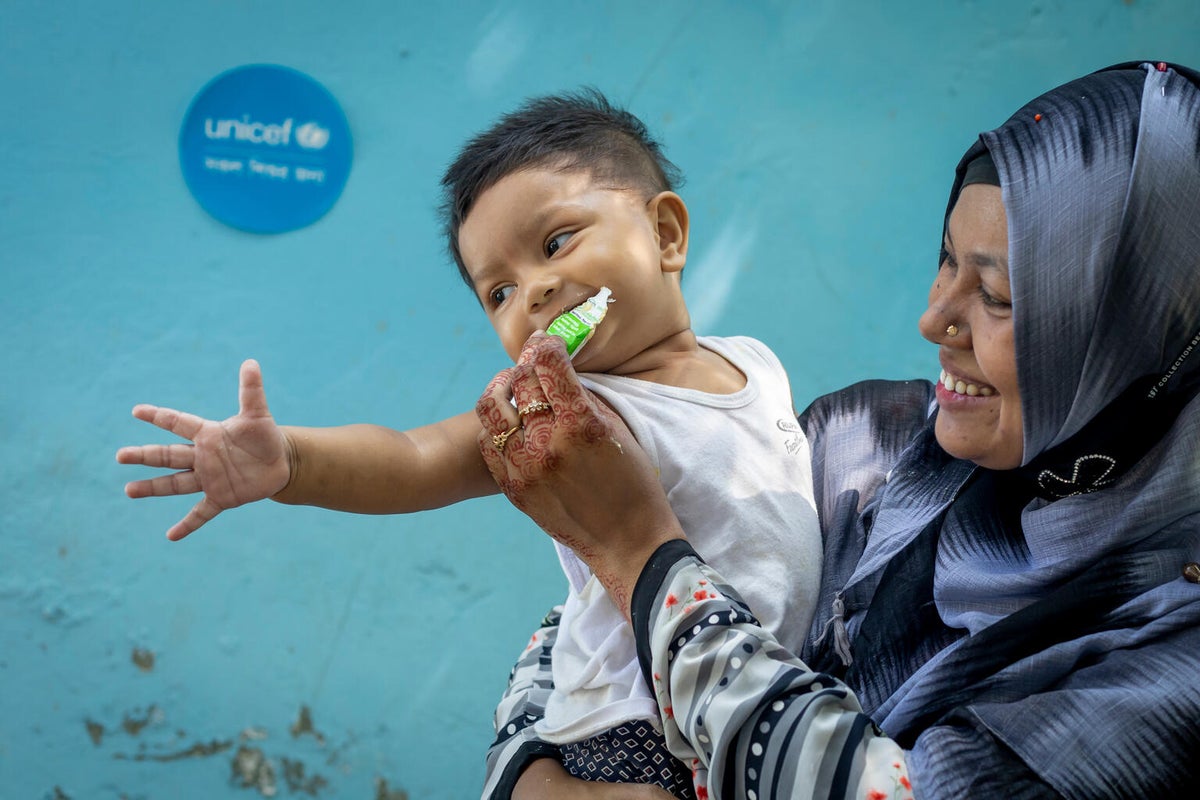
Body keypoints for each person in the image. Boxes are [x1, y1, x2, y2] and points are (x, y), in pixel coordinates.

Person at [475, 61, 1200, 799]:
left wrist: (642, 554)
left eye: (996, 293)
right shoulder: (870, 442)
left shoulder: (1174, 658)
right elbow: (590, 620)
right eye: (947, 259)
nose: (935, 319)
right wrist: (530, 775)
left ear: (1137, 328)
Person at [117, 90, 822, 800]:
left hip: (762, 692)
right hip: (637, 723)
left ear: (665, 233)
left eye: (556, 243)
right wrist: (291, 462)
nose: (533, 294)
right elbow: (415, 457)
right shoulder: (564, 418)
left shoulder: (753, 362)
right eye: (499, 293)